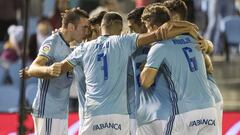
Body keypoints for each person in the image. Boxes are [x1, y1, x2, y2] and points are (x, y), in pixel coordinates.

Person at [54, 11, 200, 135]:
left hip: (93, 114)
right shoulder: (125, 42)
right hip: (121, 116)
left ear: (102, 27)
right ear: (119, 27)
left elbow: (60, 68)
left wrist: (58, 41)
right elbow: (157, 35)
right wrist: (187, 27)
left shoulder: (83, 48)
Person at [140, 3, 218, 135]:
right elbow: (209, 67)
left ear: (153, 27)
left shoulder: (159, 47)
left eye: (147, 28)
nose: (147, 32)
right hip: (209, 109)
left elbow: (145, 82)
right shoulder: (194, 39)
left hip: (184, 112)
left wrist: (145, 67)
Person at [24, 8, 89, 135]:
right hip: (48, 111)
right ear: (71, 27)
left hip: (61, 113)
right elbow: (33, 68)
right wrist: (48, 69)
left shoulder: (71, 46)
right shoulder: (52, 42)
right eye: (83, 27)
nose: (86, 31)